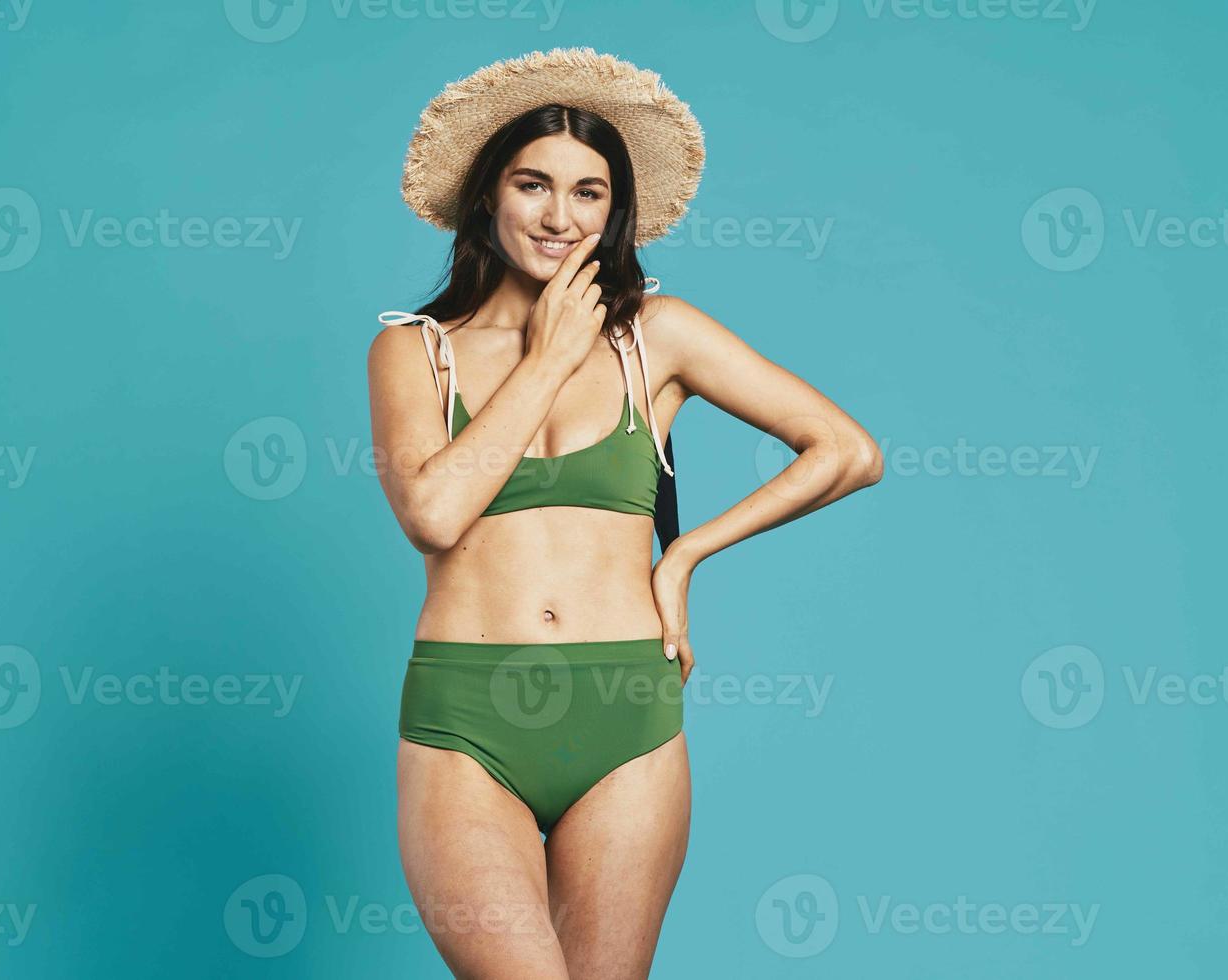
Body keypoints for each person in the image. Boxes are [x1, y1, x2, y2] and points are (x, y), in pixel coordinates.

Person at [368, 47, 884, 979]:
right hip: (466, 720)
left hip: (628, 717)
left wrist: (681, 562)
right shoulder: (417, 352)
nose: (560, 217)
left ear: (616, 211)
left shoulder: (661, 336)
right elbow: (436, 516)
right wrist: (548, 356)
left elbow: (847, 452)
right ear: (490, 194)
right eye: (533, 185)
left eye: (589, 193)